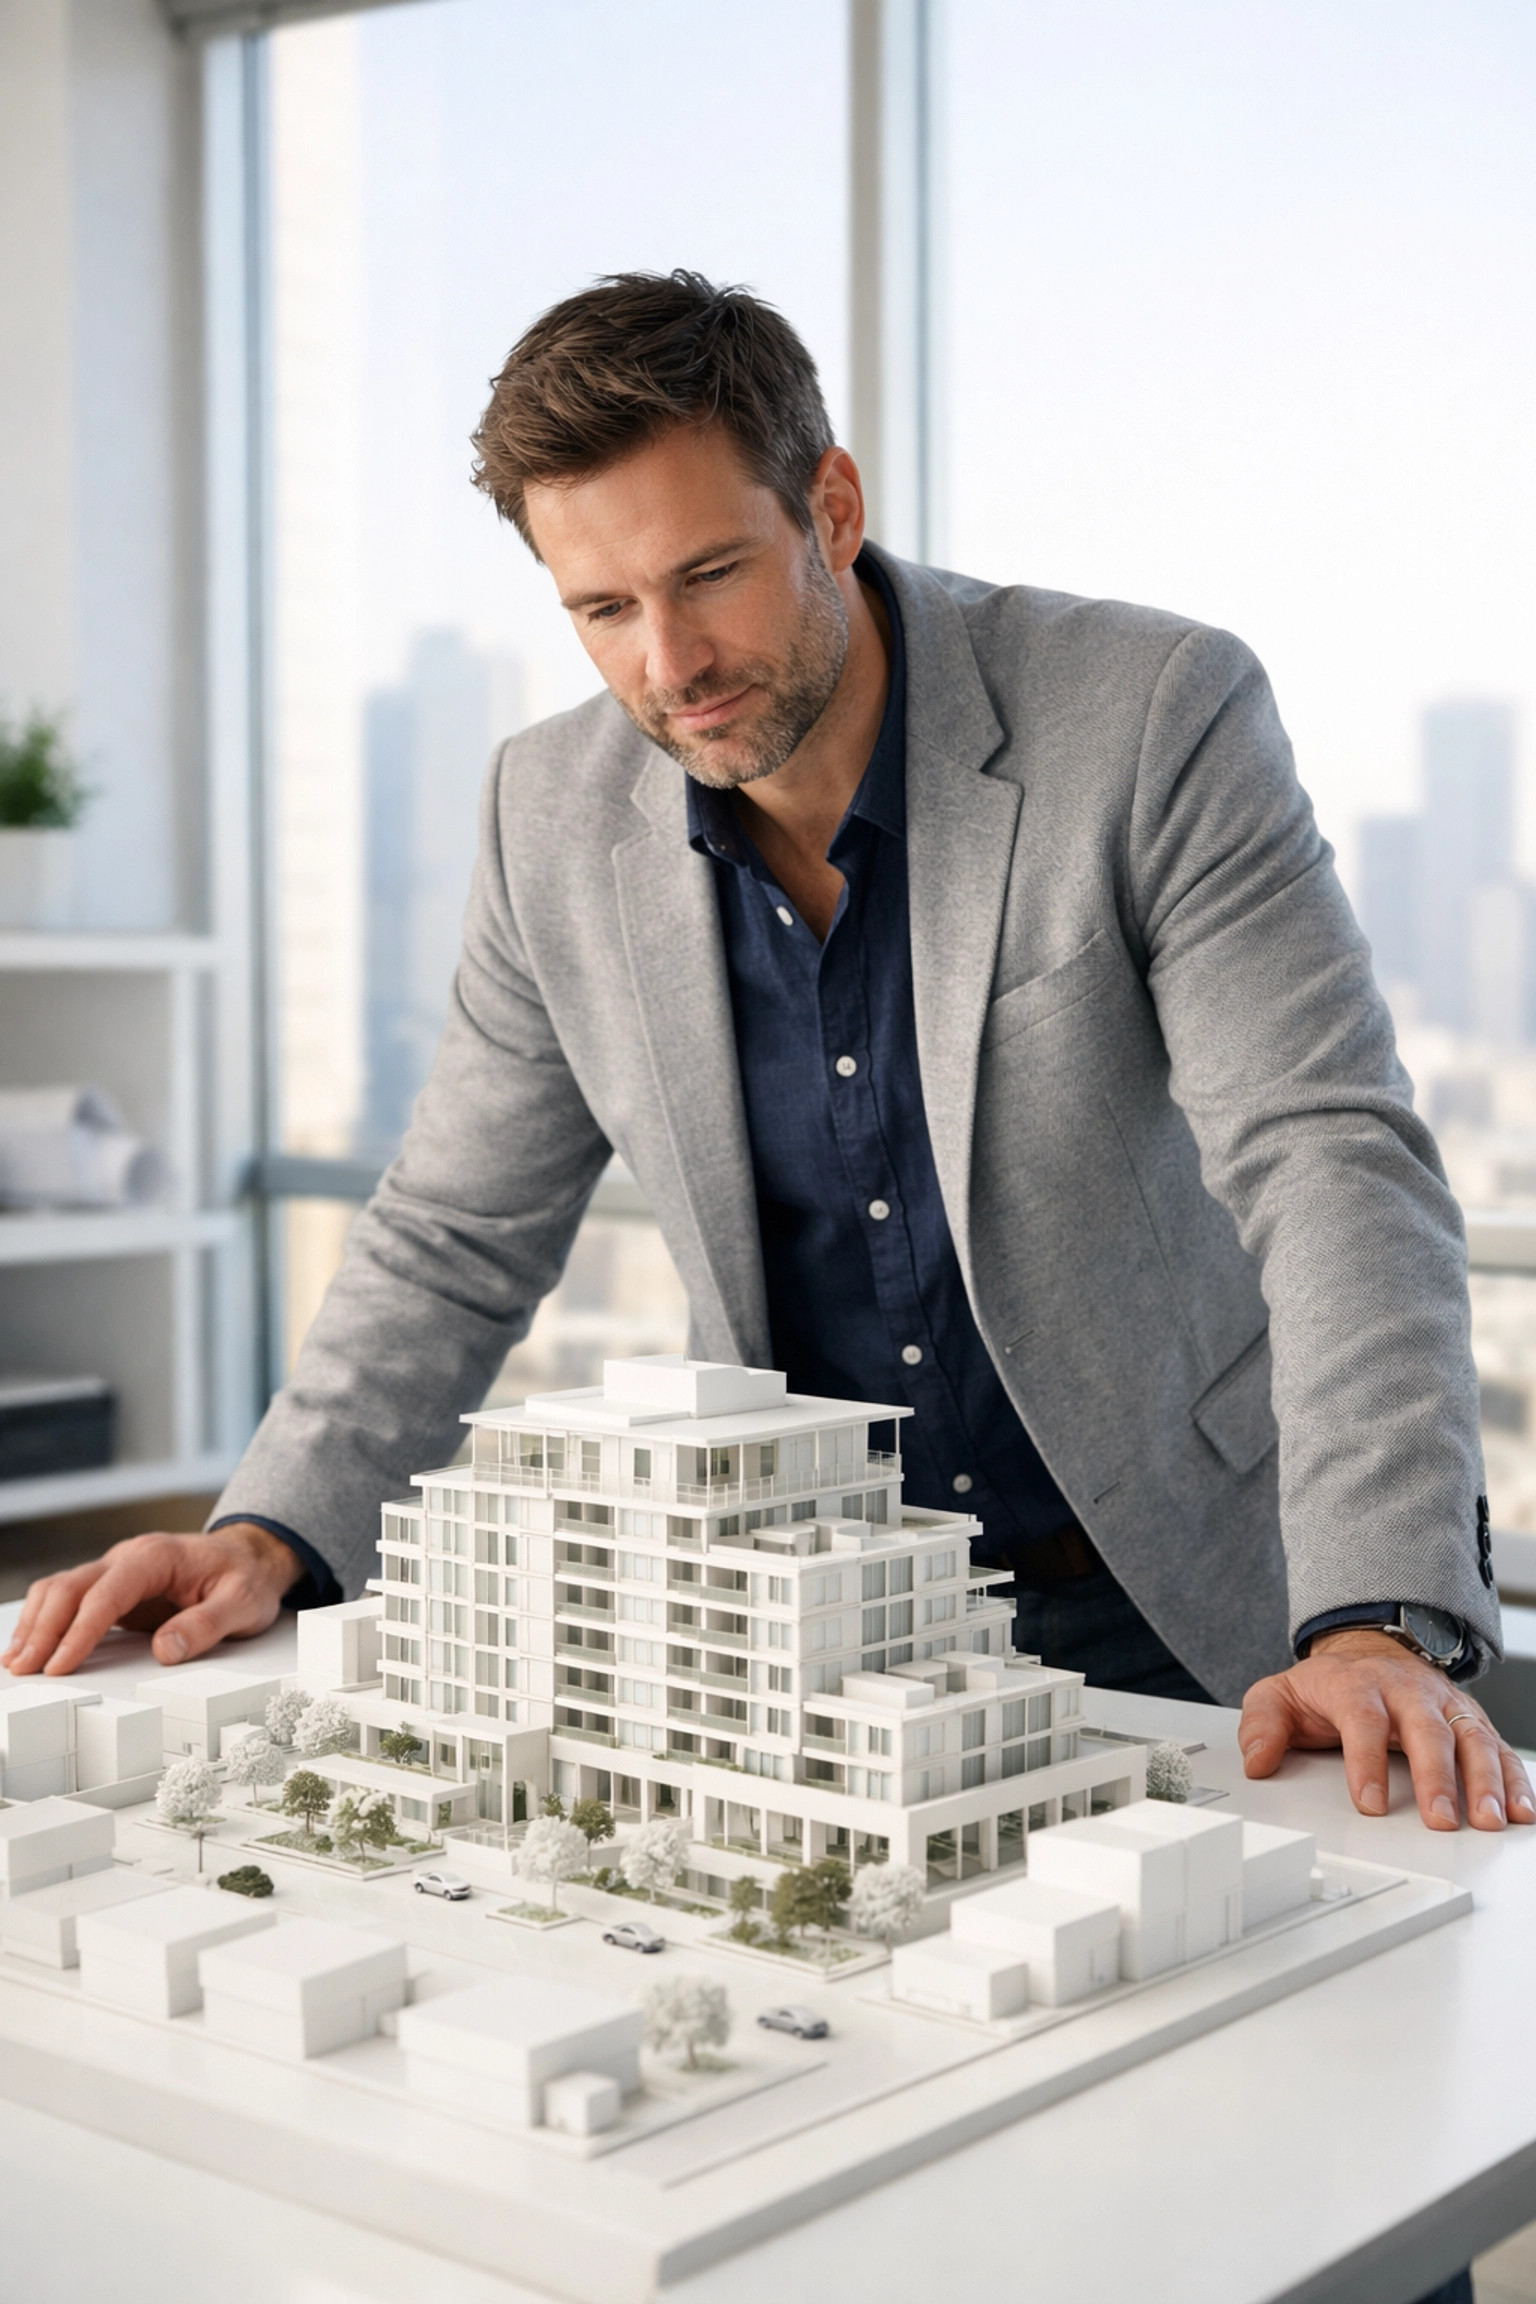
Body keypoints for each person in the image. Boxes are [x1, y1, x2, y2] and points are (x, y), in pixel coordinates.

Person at [7, 273, 1529, 1869]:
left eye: (709, 575)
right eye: (603, 611)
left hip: (1207, 1601)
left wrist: (1373, 1616)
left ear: (832, 509)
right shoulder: (547, 816)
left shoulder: (1146, 716)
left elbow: (1328, 1161)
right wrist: (271, 1529)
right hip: (820, 1647)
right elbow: (453, 1232)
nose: (670, 662)